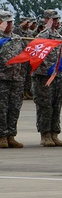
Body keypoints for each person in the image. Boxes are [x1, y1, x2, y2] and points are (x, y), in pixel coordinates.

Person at [34, 10, 62, 146]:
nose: (56, 21)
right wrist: (49, 69)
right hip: (44, 77)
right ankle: (45, 134)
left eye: (57, 19)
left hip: (58, 76)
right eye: (53, 19)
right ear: (47, 20)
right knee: (45, 106)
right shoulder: (42, 36)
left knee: (56, 105)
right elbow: (37, 56)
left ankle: (54, 133)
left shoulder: (59, 37)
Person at [0, 11, 26, 148]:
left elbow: (24, 57)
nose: (10, 24)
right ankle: (1, 136)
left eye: (11, 21)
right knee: (1, 109)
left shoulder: (17, 39)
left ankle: (11, 135)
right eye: (6, 21)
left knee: (14, 108)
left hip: (16, 79)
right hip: (2, 79)